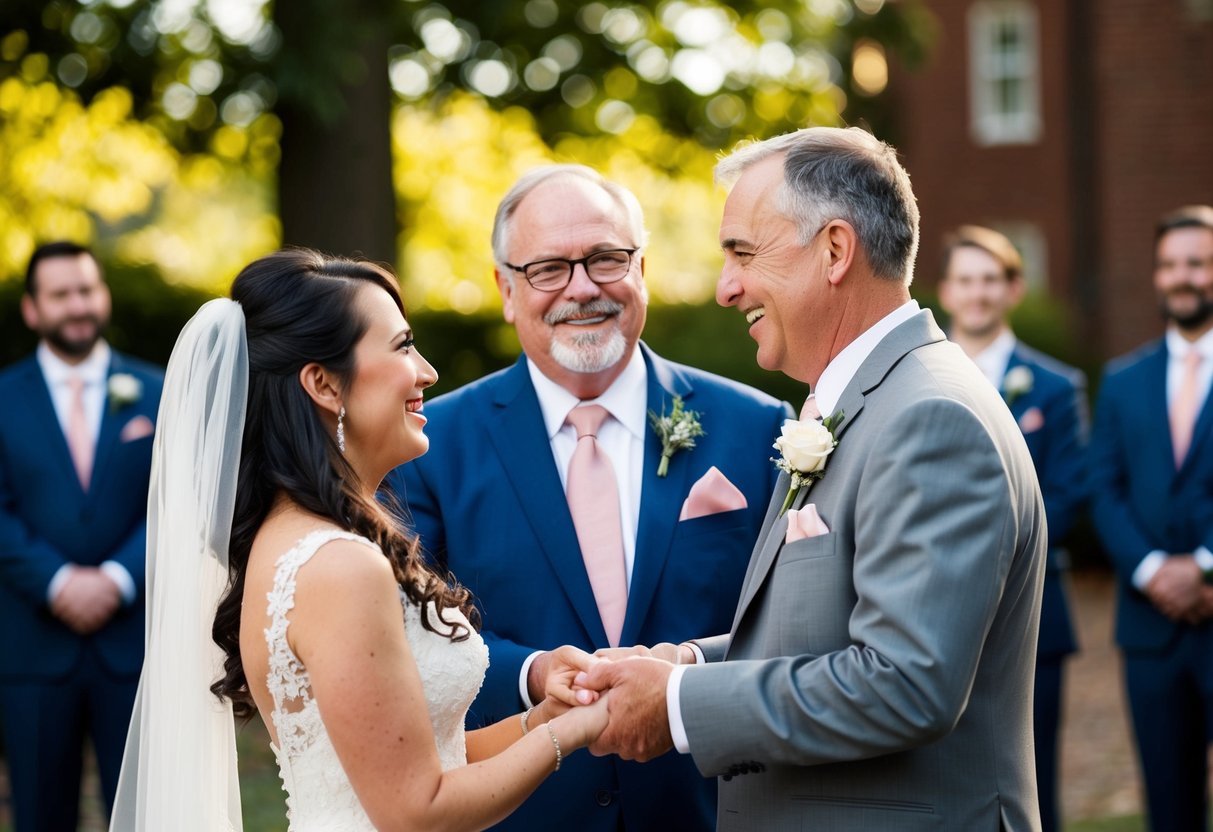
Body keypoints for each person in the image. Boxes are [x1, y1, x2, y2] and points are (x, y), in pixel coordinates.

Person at [575, 127, 1048, 831]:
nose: (725, 286)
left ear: (833, 250)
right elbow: (824, 636)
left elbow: (904, 683)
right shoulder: (863, 402)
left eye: (742, 252)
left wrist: (677, 705)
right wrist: (684, 664)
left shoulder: (930, 418)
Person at [110, 249, 608, 831]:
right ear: (323, 383)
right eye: (401, 346)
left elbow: (433, 762)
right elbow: (415, 810)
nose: (428, 372)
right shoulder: (338, 567)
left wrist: (546, 717)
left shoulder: (307, 541)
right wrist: (575, 733)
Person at [387, 164, 790, 831]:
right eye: (548, 268)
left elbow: (791, 623)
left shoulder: (758, 428)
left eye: (605, 259)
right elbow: (404, 635)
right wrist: (533, 674)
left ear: (641, 270)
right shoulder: (429, 448)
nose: (581, 289)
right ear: (506, 289)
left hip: (713, 810)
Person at [0, 242, 163, 832]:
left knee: (143, 814)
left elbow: (177, 508)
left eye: (86, 290)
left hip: (135, 650)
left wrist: (119, 578)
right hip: (32, 647)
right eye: (60, 294)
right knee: (40, 813)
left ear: (104, 296)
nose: (77, 305)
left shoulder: (158, 391)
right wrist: (59, 581)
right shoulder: (2, 398)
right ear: (32, 309)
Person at [938, 224, 1086, 832]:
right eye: (965, 281)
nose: (977, 295)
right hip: (931, 614)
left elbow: (1069, 498)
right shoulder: (912, 375)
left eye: (990, 281)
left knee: (1031, 783)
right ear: (945, 290)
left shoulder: (1054, 387)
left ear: (1013, 290)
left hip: (1031, 616)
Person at [1088, 204, 1213, 832]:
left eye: (1197, 263)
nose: (1182, 277)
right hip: (1149, 628)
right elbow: (1102, 488)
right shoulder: (1122, 380)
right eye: (1170, 266)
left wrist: (1207, 568)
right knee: (1168, 801)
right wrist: (1152, 568)